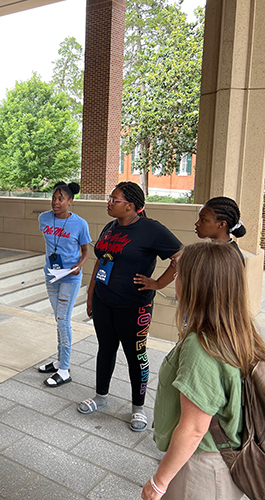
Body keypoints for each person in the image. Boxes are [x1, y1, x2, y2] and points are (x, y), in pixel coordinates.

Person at [141, 242, 265, 499]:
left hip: (202, 469)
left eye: (179, 274)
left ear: (196, 284)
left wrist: (158, 483)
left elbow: (194, 428)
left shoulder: (201, 346)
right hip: (225, 459)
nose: (174, 279)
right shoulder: (240, 331)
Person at [78, 181, 182, 432]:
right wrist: (91, 294)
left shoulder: (151, 230)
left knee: (136, 356)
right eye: (110, 198)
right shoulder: (110, 227)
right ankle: (101, 396)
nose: (109, 202)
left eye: (115, 199)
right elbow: (101, 261)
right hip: (105, 301)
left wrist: (157, 283)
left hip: (134, 307)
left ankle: (138, 407)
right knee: (106, 349)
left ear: (133, 206)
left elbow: (180, 257)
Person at [38, 181, 92, 387]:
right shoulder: (43, 218)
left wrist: (79, 265)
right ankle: (60, 361)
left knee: (63, 319)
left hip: (70, 276)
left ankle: (64, 369)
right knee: (58, 318)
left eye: (61, 198)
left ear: (70, 201)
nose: (55, 202)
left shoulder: (80, 224)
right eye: (54, 197)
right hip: (51, 275)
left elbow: (86, 251)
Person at [194, 196, 246, 264]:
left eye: (203, 220)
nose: (197, 223)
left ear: (221, 224)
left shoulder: (228, 257)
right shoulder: (212, 251)